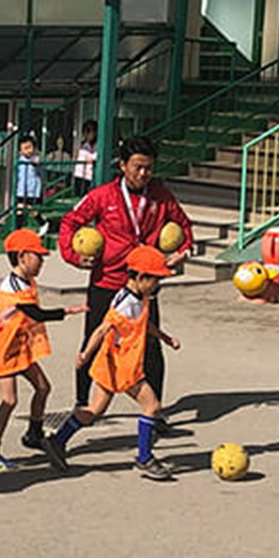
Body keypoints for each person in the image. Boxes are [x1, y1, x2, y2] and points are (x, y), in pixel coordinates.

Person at [57, 133, 193, 417]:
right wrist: (73, 256)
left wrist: (183, 249)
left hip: (143, 285)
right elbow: (70, 222)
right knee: (93, 342)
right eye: (137, 167)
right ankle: (82, 403)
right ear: (122, 165)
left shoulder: (161, 196)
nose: (143, 174)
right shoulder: (102, 195)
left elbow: (184, 227)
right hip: (106, 282)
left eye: (148, 168)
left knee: (151, 348)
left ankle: (155, 412)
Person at [39, 247, 181, 482]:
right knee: (152, 406)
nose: (158, 284)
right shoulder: (125, 303)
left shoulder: (141, 297)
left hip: (111, 363)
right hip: (123, 365)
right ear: (140, 277)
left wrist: (165, 338)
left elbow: (144, 324)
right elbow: (102, 328)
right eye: (155, 279)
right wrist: (85, 354)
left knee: (94, 411)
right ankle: (144, 458)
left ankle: (57, 440)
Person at [0, 228, 85, 471]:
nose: (43, 261)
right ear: (23, 256)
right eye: (39, 256)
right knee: (9, 400)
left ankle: (33, 434)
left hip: (20, 344)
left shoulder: (27, 280)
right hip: (4, 348)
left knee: (43, 387)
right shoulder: (12, 286)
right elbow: (36, 314)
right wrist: (68, 311)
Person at [13, 135, 44, 231]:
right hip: (22, 190)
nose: (29, 150)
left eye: (30, 147)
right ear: (20, 151)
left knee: (32, 210)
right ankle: (18, 229)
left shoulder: (34, 159)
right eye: (25, 148)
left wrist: (36, 162)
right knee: (20, 208)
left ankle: (43, 223)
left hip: (32, 190)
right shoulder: (21, 159)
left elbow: (37, 163)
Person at [71, 121, 97, 197]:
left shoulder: (97, 146)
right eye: (87, 132)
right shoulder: (82, 145)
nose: (89, 135)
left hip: (89, 176)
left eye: (91, 132)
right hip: (80, 174)